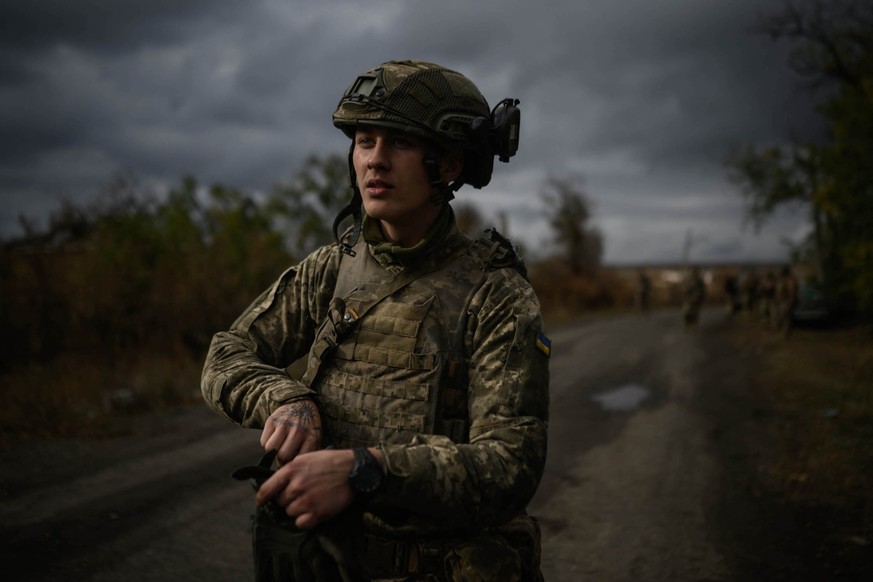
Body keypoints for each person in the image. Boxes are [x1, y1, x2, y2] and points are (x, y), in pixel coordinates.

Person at [201, 60, 550, 581]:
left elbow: (509, 466)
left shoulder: (496, 296)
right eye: (365, 141)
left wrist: (365, 469)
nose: (375, 162)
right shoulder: (331, 269)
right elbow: (226, 353)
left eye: (401, 144)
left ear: (449, 164)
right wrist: (285, 398)